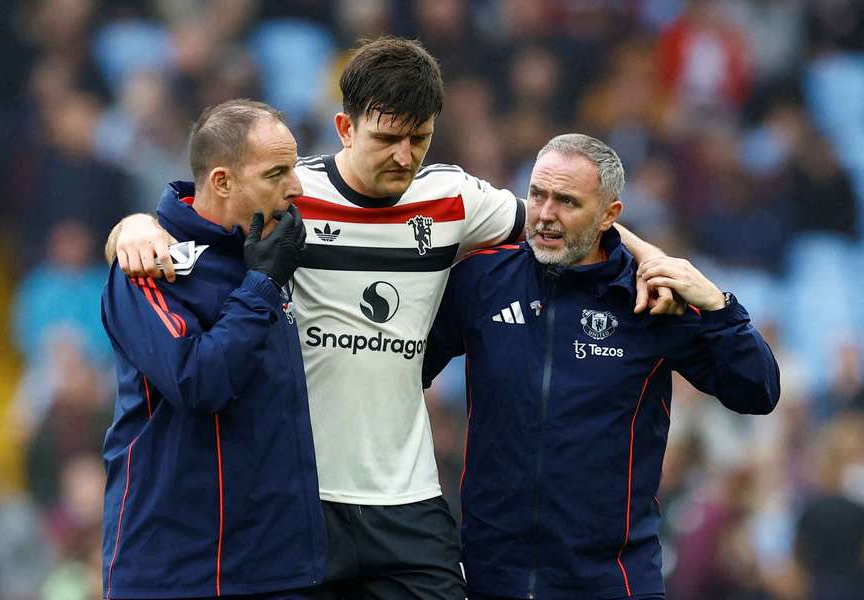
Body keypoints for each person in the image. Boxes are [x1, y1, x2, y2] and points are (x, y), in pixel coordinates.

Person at [109, 38, 676, 599]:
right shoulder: (289, 195)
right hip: (303, 499)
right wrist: (132, 228)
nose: (404, 156)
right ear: (346, 127)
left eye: (419, 139)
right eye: (387, 138)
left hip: (407, 499)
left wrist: (658, 261)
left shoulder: (454, 199)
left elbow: (564, 226)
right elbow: (202, 216)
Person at [422, 134, 780, 600]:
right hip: (493, 576)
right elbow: (404, 372)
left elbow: (758, 390)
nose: (546, 214)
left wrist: (717, 305)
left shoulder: (651, 297)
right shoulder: (482, 279)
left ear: (610, 215)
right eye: (537, 195)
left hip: (611, 581)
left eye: (567, 201)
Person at [100, 100, 328, 599]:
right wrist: (262, 285)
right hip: (173, 571)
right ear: (222, 182)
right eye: (277, 173)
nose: (298, 187)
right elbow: (198, 381)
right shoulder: (148, 266)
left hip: (280, 570)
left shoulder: (276, 242)